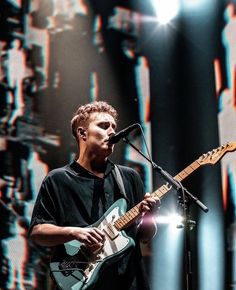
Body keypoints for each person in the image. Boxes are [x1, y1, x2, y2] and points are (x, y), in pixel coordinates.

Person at [29, 100, 159, 290]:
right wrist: (75, 232)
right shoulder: (58, 179)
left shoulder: (129, 177)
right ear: (82, 133)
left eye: (113, 127)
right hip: (80, 281)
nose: (112, 132)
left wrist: (150, 215)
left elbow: (145, 237)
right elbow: (37, 233)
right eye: (103, 126)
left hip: (129, 282)